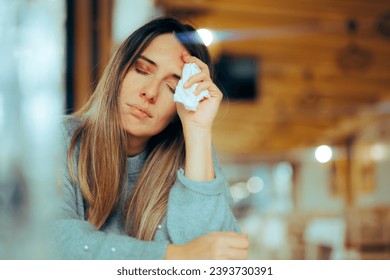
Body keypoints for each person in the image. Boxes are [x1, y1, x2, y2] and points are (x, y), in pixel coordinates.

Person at [52, 17, 248, 260]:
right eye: (142, 70)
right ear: (118, 72)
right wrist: (174, 256)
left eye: (172, 88)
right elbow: (52, 239)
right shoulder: (60, 140)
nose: (150, 92)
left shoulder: (192, 160)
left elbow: (213, 257)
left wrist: (197, 129)